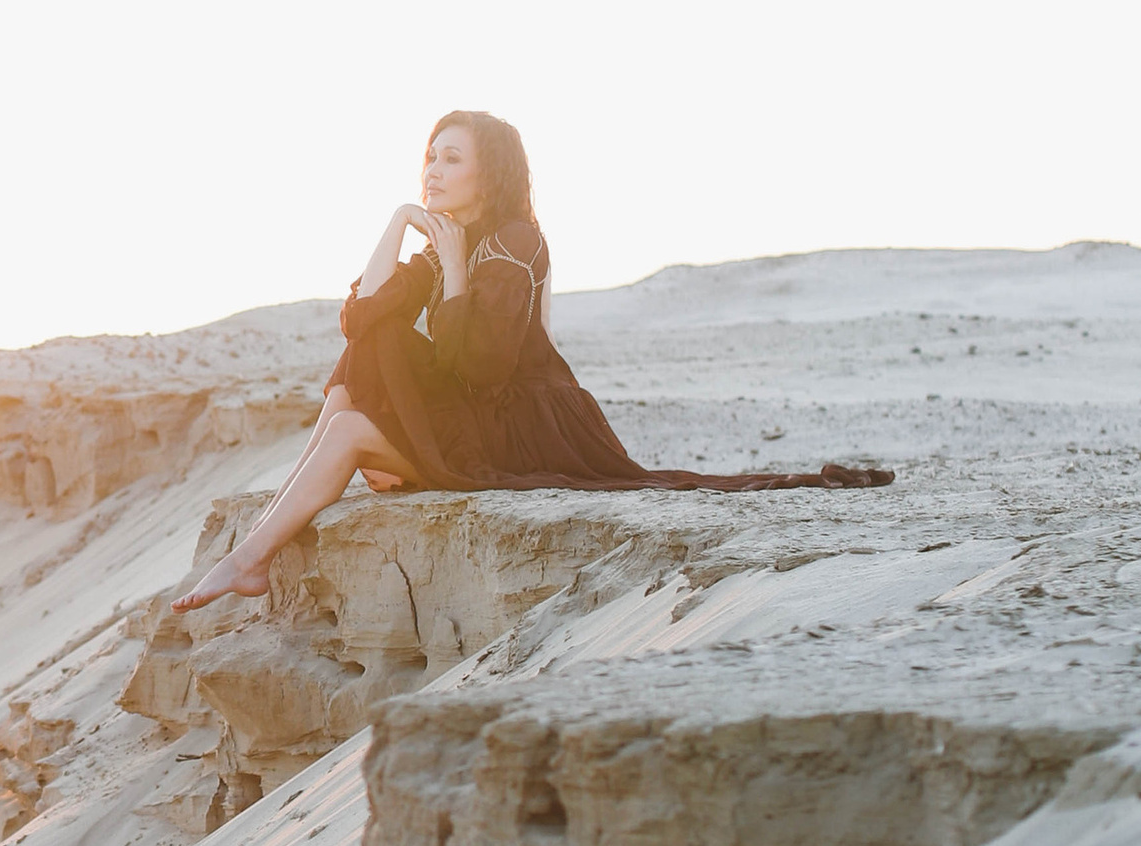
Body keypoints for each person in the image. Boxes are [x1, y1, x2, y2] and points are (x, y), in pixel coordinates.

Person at [172, 109, 891, 611]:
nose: (433, 167)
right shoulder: (444, 238)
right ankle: (276, 527)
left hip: (523, 423)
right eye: (430, 153)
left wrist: (454, 275)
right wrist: (399, 221)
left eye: (452, 157)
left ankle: (253, 557)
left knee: (354, 421)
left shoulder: (515, 240)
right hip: (478, 406)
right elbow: (359, 315)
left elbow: (484, 370)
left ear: (491, 172)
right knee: (373, 338)